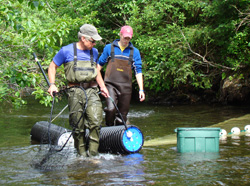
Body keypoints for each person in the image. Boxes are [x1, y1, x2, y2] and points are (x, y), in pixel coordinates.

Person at [47, 24, 103, 157]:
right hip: (74, 91)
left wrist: (103, 87)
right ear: (83, 38)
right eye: (92, 41)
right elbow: (52, 66)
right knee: (78, 127)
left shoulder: (94, 52)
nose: (95, 44)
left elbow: (96, 72)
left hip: (92, 90)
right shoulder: (66, 51)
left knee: (96, 122)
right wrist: (52, 84)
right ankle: (82, 156)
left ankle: (93, 156)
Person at [96, 25, 145, 126]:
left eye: (128, 38)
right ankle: (108, 130)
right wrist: (98, 84)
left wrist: (141, 89)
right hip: (110, 85)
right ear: (120, 34)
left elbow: (138, 71)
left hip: (126, 88)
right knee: (110, 109)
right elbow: (99, 66)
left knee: (121, 117)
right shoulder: (109, 48)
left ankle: (118, 137)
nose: (126, 40)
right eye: (124, 37)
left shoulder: (134, 52)